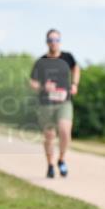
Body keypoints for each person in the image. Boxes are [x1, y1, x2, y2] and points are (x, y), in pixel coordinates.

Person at [29, 29, 79, 178]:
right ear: (47, 42)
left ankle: (61, 160)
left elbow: (76, 68)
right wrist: (43, 87)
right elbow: (32, 82)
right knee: (49, 136)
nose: (53, 42)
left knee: (65, 131)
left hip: (64, 102)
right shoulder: (41, 62)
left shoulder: (67, 57)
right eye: (51, 40)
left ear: (60, 41)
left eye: (56, 40)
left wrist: (75, 84)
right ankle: (50, 165)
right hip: (46, 103)